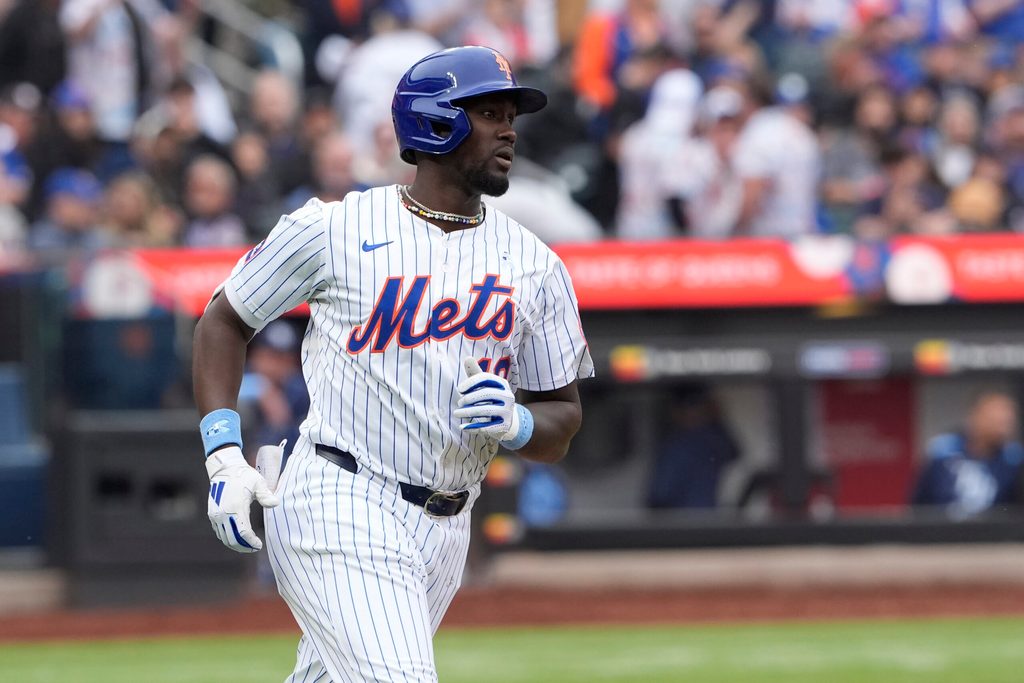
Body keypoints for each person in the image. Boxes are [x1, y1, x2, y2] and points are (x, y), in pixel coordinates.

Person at [192, 46, 593, 682]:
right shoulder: (334, 227)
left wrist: (518, 424)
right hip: (340, 497)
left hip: (446, 526)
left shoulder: (536, 264)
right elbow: (223, 318)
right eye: (488, 112)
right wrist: (223, 453)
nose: (509, 128)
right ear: (437, 123)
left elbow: (563, 418)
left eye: (510, 113)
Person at [912, 390, 1024, 517]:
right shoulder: (943, 451)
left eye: (1007, 422)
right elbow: (919, 504)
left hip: (994, 534)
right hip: (943, 533)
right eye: (995, 420)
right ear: (975, 416)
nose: (1003, 428)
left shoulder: (1014, 459)